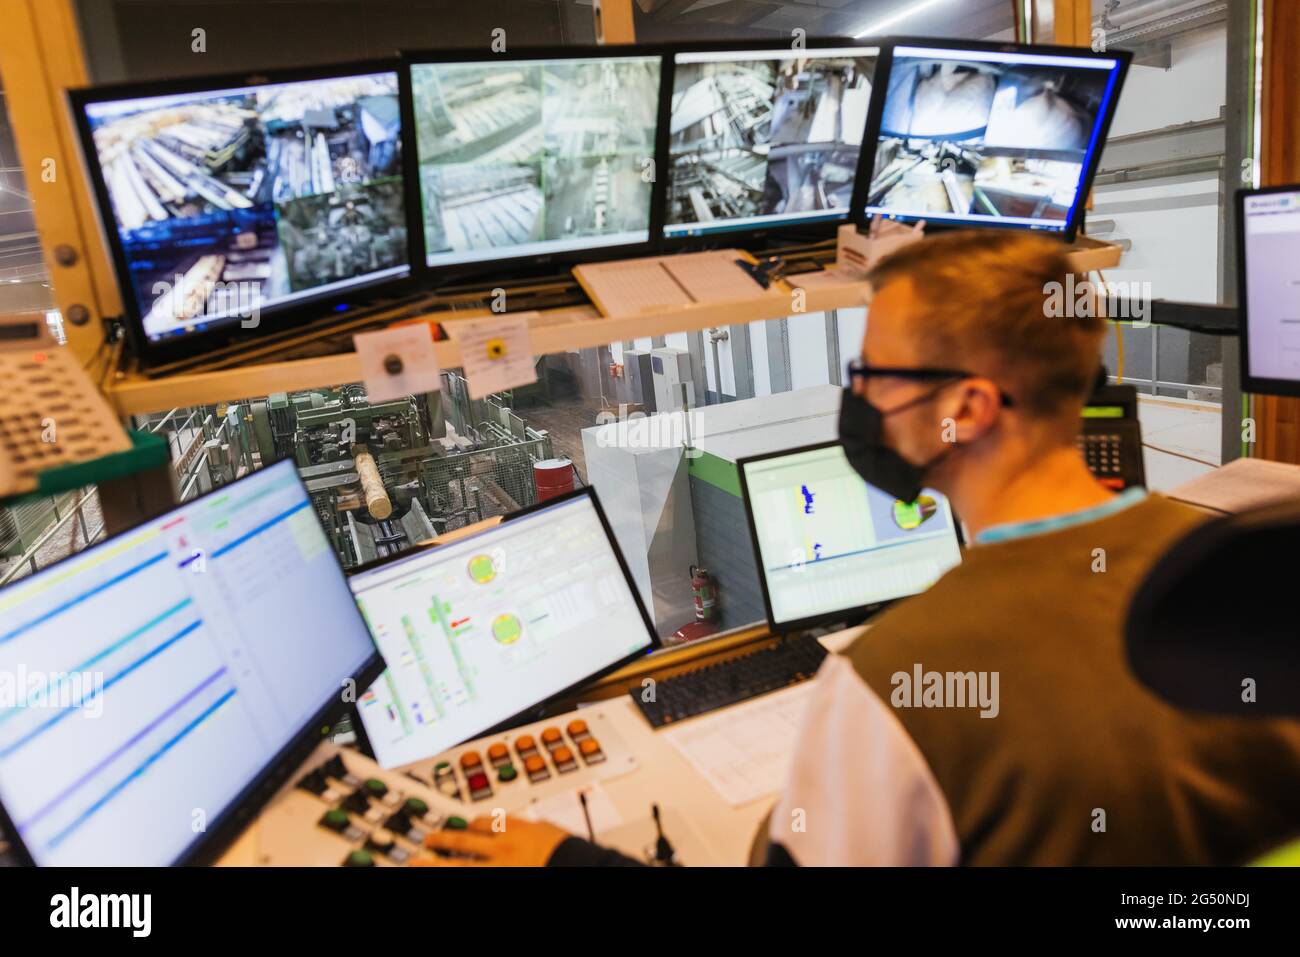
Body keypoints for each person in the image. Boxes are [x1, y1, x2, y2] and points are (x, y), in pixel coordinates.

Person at [417, 230, 1300, 867]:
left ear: (969, 409)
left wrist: (563, 861)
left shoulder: (894, 680)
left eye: (876, 374)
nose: (860, 399)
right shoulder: (1249, 575)